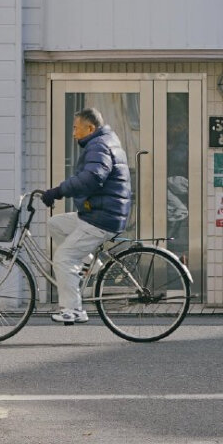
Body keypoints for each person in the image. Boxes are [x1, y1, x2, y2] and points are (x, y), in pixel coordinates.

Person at [41, 107, 132, 325]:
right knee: (56, 223)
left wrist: (59, 191)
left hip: (102, 217)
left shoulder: (99, 145)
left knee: (63, 258)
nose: (73, 133)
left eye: (76, 128)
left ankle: (73, 310)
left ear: (90, 128)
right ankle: (90, 263)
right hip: (97, 212)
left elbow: (92, 177)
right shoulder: (103, 141)